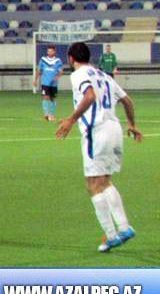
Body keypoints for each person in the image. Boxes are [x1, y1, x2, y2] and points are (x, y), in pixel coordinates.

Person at [56, 42, 141, 253]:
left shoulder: (78, 75)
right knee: (104, 181)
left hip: (97, 130)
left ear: (71, 58)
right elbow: (128, 101)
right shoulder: (104, 75)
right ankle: (123, 229)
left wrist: (71, 120)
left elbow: (90, 96)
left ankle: (113, 234)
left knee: (92, 184)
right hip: (115, 129)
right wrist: (132, 125)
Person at [33, 45, 63, 121]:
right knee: (45, 97)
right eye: (48, 51)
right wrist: (35, 80)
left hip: (53, 83)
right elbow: (38, 70)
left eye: (51, 51)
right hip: (45, 82)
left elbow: (61, 71)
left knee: (52, 98)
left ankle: (52, 115)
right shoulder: (43, 60)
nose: (49, 52)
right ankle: (46, 114)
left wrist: (57, 77)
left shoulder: (58, 61)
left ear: (54, 52)